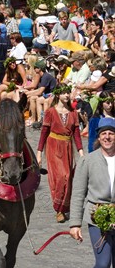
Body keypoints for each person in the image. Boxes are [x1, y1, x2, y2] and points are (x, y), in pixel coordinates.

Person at [69, 117, 115, 268]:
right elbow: (78, 193)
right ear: (98, 137)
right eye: (104, 133)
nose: (108, 137)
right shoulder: (88, 160)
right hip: (97, 218)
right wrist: (75, 224)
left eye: (111, 133)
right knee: (103, 263)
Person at [36, 84, 84, 223]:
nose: (66, 95)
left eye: (68, 93)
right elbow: (44, 133)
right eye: (63, 93)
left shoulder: (73, 112)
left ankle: (63, 207)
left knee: (68, 177)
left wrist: (81, 153)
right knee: (60, 177)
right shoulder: (51, 112)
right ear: (58, 95)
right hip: (53, 146)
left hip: (67, 147)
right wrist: (39, 153)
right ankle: (58, 208)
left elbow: (77, 135)